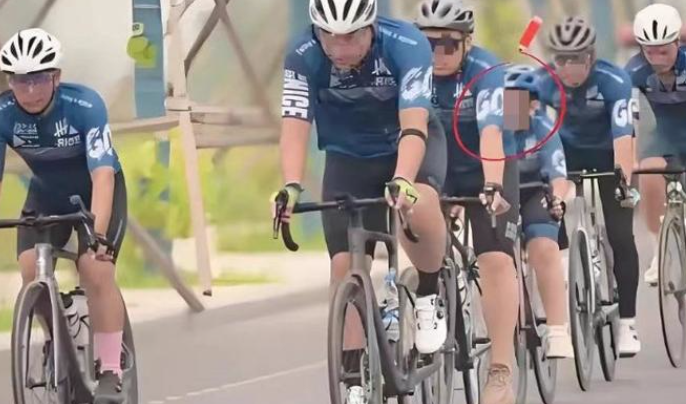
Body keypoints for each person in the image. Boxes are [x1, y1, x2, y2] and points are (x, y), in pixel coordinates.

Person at [272, 1, 449, 402]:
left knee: (420, 203)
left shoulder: (406, 44)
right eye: (329, 36)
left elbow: (414, 125)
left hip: (406, 145)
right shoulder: (302, 55)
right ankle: (353, 379)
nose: (339, 47)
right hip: (349, 158)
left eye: (350, 36)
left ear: (370, 27)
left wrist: (403, 179)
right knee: (344, 268)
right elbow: (295, 123)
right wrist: (291, 185)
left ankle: (428, 293)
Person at [0, 29, 128, 403]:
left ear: (56, 76)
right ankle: (59, 331)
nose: (30, 91)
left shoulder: (85, 105)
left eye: (39, 79)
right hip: (47, 195)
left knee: (95, 269)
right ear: (9, 81)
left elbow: (102, 175)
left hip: (97, 192)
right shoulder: (4, 114)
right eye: (20, 81)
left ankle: (110, 368)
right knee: (30, 270)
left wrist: (97, 234)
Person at [415, 1, 520, 403]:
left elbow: (492, 133)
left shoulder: (487, 71)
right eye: (428, 45)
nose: (437, 54)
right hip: (438, 168)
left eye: (448, 45)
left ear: (467, 44)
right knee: (422, 234)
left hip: (485, 167)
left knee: (494, 258)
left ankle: (500, 368)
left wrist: (492, 185)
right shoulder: (411, 73)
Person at [537, 17, 642, 357]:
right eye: (561, 59)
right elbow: (518, 132)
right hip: (565, 156)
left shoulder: (615, 79)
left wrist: (623, 183)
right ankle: (564, 264)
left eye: (576, 59)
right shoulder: (540, 80)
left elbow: (624, 136)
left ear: (591, 57)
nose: (568, 67)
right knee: (544, 204)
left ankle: (627, 323)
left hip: (609, 155)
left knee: (621, 235)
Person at [505, 65, 574, 359]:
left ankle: (557, 331)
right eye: (504, 99)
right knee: (496, 256)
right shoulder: (489, 128)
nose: (509, 107)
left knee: (543, 246)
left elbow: (559, 176)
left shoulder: (544, 127)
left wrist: (557, 199)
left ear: (533, 104)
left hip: (536, 190)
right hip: (503, 193)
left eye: (517, 100)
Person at [626, 3, 686, 287]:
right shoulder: (634, 71)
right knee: (648, 172)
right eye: (650, 52)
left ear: (677, 43)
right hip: (664, 131)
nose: (658, 58)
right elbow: (628, 119)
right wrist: (630, 159)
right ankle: (658, 248)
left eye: (664, 51)